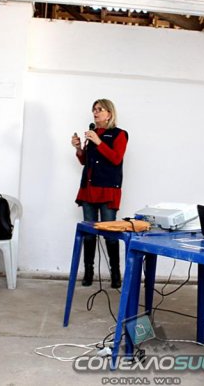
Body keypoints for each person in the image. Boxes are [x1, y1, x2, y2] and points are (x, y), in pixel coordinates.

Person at [71, 99, 129, 289]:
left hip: (107, 189)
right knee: (89, 234)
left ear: (109, 114)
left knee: (110, 234)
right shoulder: (93, 133)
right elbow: (85, 161)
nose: (95, 113)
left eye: (99, 109)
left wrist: (98, 141)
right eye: (94, 110)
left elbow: (116, 158)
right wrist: (79, 148)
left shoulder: (120, 134)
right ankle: (88, 272)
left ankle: (115, 274)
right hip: (88, 190)